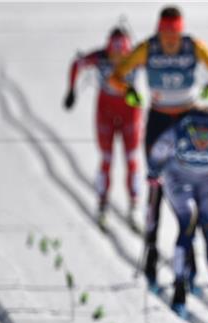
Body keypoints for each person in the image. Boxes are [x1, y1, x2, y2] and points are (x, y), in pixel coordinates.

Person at [109, 5, 208, 290]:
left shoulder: (194, 46)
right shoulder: (147, 48)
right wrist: (127, 89)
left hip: (189, 119)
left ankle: (188, 260)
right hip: (159, 119)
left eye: (174, 35)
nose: (170, 42)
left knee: (190, 181)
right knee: (155, 185)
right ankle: (152, 250)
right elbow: (117, 74)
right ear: (159, 30)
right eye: (166, 35)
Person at [147, 106, 208, 320]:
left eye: (207, 132)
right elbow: (156, 153)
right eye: (197, 132)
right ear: (190, 128)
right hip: (180, 179)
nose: (203, 139)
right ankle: (180, 289)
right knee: (188, 222)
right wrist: (153, 172)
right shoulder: (177, 132)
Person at [63, 27, 142, 230]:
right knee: (106, 159)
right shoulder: (100, 57)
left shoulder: (136, 56)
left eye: (121, 55)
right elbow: (76, 64)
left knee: (132, 159)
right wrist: (71, 91)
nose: (116, 59)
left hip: (130, 112)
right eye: (113, 54)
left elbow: (157, 63)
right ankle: (102, 205)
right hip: (105, 112)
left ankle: (135, 206)